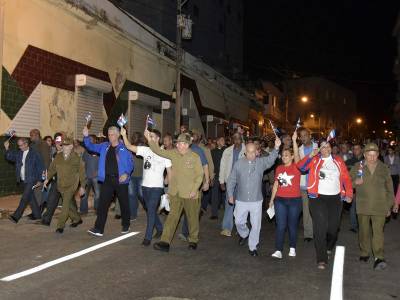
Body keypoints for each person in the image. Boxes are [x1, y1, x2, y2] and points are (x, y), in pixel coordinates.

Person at [298, 140, 353, 269]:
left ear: (331, 148)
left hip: (335, 199)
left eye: (328, 146)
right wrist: (310, 155)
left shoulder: (338, 161)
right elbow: (301, 167)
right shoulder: (315, 160)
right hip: (317, 198)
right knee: (320, 227)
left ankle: (328, 246)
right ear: (319, 149)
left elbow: (346, 178)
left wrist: (349, 194)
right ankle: (321, 258)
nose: (326, 148)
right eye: (323, 147)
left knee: (333, 229)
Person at [145, 131, 203, 252]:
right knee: (172, 217)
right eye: (180, 144)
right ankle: (165, 242)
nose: (182, 146)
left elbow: (199, 175)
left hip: (190, 194)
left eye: (185, 144)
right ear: (176, 145)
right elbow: (158, 151)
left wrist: (194, 189)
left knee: (192, 218)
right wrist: (149, 139)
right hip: (176, 192)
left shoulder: (195, 157)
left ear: (189, 145)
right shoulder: (173, 154)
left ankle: (193, 240)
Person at [227, 138, 280, 256]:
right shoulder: (239, 163)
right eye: (248, 152)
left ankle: (253, 247)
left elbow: (271, 159)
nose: (251, 154)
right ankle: (244, 234)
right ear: (245, 152)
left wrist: (276, 148)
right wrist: (230, 194)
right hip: (241, 199)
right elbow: (231, 180)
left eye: (253, 152)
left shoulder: (261, 162)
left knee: (256, 225)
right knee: (239, 222)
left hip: (256, 200)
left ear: (257, 152)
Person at [121, 127, 172, 246]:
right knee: (151, 209)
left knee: (150, 211)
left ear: (158, 139)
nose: (149, 138)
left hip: (157, 188)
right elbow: (129, 147)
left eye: (152, 136)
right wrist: (124, 135)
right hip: (145, 187)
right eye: (149, 136)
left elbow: (170, 172)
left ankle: (147, 238)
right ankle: (160, 228)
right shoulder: (146, 150)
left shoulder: (165, 154)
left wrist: (168, 187)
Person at [84, 125, 134, 237]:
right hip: (107, 180)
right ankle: (98, 228)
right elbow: (90, 146)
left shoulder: (124, 148)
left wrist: (126, 173)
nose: (110, 136)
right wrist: (86, 136)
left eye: (112, 134)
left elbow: (131, 163)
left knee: (124, 203)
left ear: (118, 135)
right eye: (109, 134)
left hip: (120, 180)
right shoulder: (104, 146)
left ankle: (126, 224)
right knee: (103, 204)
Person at [350, 143, 394, 270]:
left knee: (378, 232)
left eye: (374, 155)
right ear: (364, 155)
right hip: (363, 205)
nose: (372, 157)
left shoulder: (384, 168)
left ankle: (379, 256)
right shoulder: (358, 166)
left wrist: (389, 205)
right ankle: (364, 252)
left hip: (380, 205)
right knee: (364, 231)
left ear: (378, 155)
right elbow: (347, 182)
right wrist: (354, 183)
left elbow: (389, 188)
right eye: (369, 155)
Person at [269, 131, 301, 259]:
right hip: (280, 200)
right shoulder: (279, 169)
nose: (284, 157)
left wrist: (293, 141)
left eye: (287, 155)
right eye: (283, 155)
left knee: (292, 225)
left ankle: (292, 247)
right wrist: (272, 200)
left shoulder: (296, 167)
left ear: (292, 156)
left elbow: (298, 155)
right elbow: (276, 184)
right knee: (280, 225)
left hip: (294, 201)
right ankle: (278, 249)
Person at [43, 137, 86, 233]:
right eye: (63, 146)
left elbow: (82, 173)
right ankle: (77, 219)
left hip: (71, 186)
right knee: (69, 204)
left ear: (71, 146)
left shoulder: (77, 158)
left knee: (65, 204)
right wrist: (47, 179)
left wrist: (83, 186)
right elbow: (52, 169)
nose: (64, 148)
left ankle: (60, 226)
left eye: (66, 146)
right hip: (61, 185)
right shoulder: (58, 157)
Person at [5, 137, 44, 223]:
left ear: (26, 144)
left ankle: (16, 216)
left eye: (21, 145)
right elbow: (10, 157)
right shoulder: (19, 153)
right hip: (23, 179)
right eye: (18, 146)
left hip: (31, 179)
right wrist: (7, 148)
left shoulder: (35, 153)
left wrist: (41, 180)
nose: (19, 147)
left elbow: (41, 167)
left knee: (24, 198)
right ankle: (37, 215)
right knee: (30, 198)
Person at [219, 132, 246, 237]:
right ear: (232, 140)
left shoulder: (246, 150)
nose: (237, 141)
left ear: (242, 139)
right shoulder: (227, 151)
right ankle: (227, 227)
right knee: (229, 205)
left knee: (241, 206)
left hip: (242, 183)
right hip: (230, 181)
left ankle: (241, 228)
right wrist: (221, 181)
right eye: (235, 139)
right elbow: (223, 166)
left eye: (239, 139)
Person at [298, 128, 318, 242]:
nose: (303, 137)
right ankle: (308, 234)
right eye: (301, 136)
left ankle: (319, 231)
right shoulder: (299, 149)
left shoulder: (318, 147)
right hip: (304, 185)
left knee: (317, 210)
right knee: (306, 210)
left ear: (310, 136)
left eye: (305, 135)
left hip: (317, 184)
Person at [40, 133, 64, 226]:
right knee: (51, 199)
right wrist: (48, 177)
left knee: (69, 204)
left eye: (60, 143)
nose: (58, 145)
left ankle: (76, 218)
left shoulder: (68, 154)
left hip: (66, 181)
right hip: (56, 180)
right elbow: (53, 167)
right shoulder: (55, 154)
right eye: (57, 143)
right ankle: (46, 220)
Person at [345, 143, 364, 233]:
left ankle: (363, 225)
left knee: (362, 207)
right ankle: (353, 225)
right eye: (354, 149)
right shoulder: (348, 162)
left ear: (361, 150)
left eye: (358, 148)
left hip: (364, 188)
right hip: (353, 188)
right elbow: (346, 175)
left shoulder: (365, 161)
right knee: (353, 207)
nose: (356, 150)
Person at [81, 135, 100, 213]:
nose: (90, 140)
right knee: (84, 194)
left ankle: (97, 209)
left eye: (91, 139)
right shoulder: (86, 151)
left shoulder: (99, 150)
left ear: (95, 140)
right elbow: (83, 162)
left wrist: (98, 171)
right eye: (89, 139)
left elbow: (103, 162)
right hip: (87, 175)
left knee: (98, 194)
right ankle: (83, 210)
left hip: (96, 176)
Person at [210, 136, 226, 219]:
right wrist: (211, 176)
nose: (223, 141)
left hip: (225, 176)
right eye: (221, 140)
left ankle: (226, 212)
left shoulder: (227, 151)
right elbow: (211, 165)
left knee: (225, 194)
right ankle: (214, 213)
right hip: (216, 175)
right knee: (215, 195)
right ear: (217, 142)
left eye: (224, 140)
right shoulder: (213, 152)